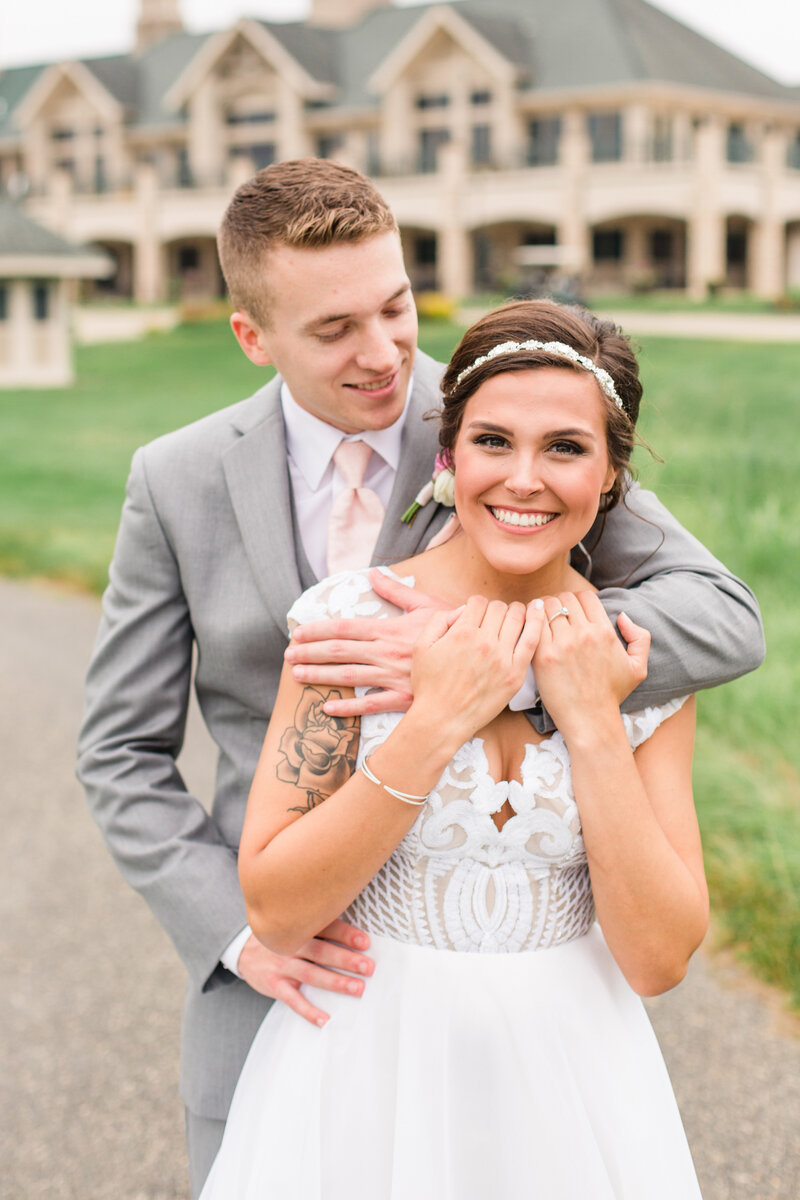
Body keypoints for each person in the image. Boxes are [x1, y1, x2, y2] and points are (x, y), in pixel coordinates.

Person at [76, 159, 763, 1198]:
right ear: (253, 338)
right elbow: (119, 750)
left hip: (544, 1024)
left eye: (395, 306)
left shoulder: (509, 414)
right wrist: (236, 933)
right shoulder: (176, 481)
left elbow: (720, 616)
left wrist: (496, 669)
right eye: (334, 328)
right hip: (296, 977)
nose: (385, 351)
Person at [200, 299, 710, 1198]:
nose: (523, 479)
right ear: (448, 457)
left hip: (577, 1081)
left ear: (611, 472)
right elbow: (277, 910)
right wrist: (434, 725)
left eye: (564, 447)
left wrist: (589, 722)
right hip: (365, 1074)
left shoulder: (633, 661)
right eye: (492, 442)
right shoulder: (348, 629)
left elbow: (659, 960)